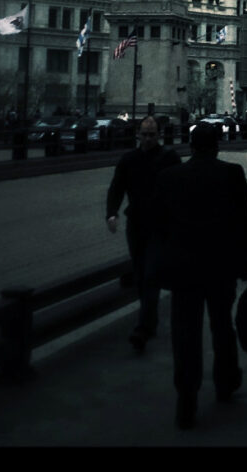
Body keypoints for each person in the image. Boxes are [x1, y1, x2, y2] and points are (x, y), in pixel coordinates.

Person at [152, 122, 247, 430]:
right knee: (222, 324)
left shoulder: (169, 178)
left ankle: (186, 398)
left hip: (183, 268)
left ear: (190, 145)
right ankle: (226, 382)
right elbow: (244, 220)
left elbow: (158, 226)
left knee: (184, 332)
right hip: (221, 265)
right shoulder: (232, 174)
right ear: (217, 145)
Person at [106, 116, 181, 353]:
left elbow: (181, 187)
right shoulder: (129, 160)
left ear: (158, 135)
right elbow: (116, 187)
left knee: (150, 274)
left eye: (152, 134)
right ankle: (150, 319)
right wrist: (112, 213)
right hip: (136, 225)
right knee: (141, 274)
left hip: (160, 227)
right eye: (144, 134)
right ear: (138, 134)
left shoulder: (169, 158)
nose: (148, 138)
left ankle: (143, 328)